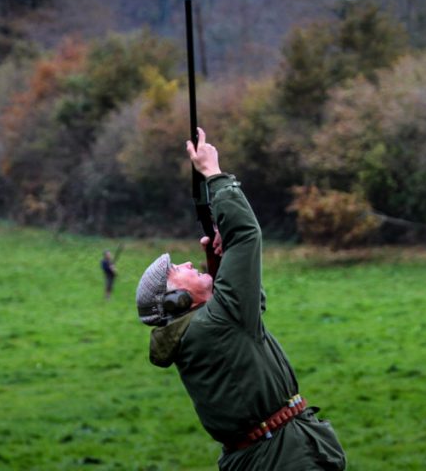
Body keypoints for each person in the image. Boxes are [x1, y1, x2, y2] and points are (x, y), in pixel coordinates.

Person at [135, 128, 346, 470]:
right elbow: (247, 235)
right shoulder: (214, 323)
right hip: (281, 459)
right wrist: (215, 175)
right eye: (177, 269)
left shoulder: (205, 328)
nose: (188, 262)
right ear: (176, 300)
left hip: (277, 452)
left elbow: (251, 305)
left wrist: (220, 260)